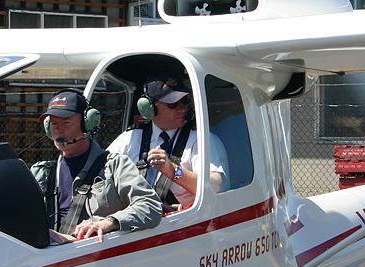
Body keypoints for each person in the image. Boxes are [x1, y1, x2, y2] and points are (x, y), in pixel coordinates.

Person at [31, 89, 161, 242]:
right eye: (53, 124)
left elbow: (150, 205)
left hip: (94, 256)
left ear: (87, 123)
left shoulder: (115, 166)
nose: (58, 130)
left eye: (66, 123)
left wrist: (110, 223)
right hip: (49, 257)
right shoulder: (41, 173)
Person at [107, 74, 225, 210]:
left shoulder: (201, 139)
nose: (182, 108)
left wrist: (173, 170)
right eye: (173, 104)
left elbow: (215, 186)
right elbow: (100, 172)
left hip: (181, 222)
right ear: (150, 108)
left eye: (185, 100)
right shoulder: (131, 138)